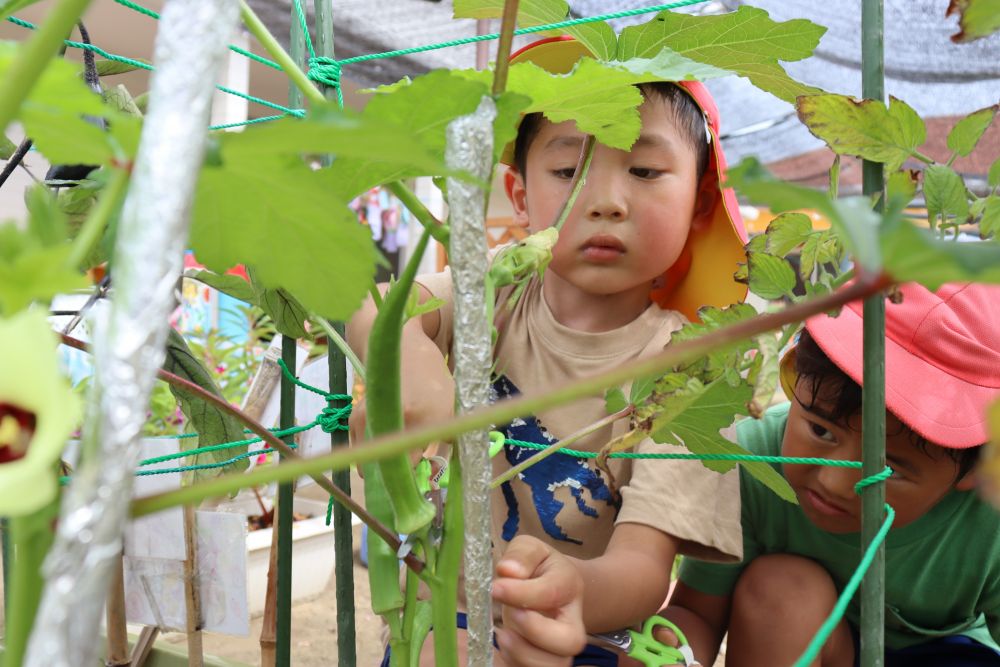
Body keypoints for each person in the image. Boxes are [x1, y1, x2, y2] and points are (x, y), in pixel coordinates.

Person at [348, 35, 749, 665]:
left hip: (578, 632)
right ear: (519, 195)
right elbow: (376, 304)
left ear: (699, 204)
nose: (606, 201)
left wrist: (572, 589)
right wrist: (416, 369)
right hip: (431, 616)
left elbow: (645, 569)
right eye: (569, 171)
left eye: (644, 171)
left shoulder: (688, 367)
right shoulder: (497, 287)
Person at [658, 281, 1000, 667]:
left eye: (889, 469)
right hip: (819, 646)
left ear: (979, 468)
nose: (833, 483)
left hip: (948, 655)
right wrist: (673, 653)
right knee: (782, 589)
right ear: (793, 376)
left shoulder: (992, 513)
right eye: (820, 431)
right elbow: (698, 614)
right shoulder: (749, 464)